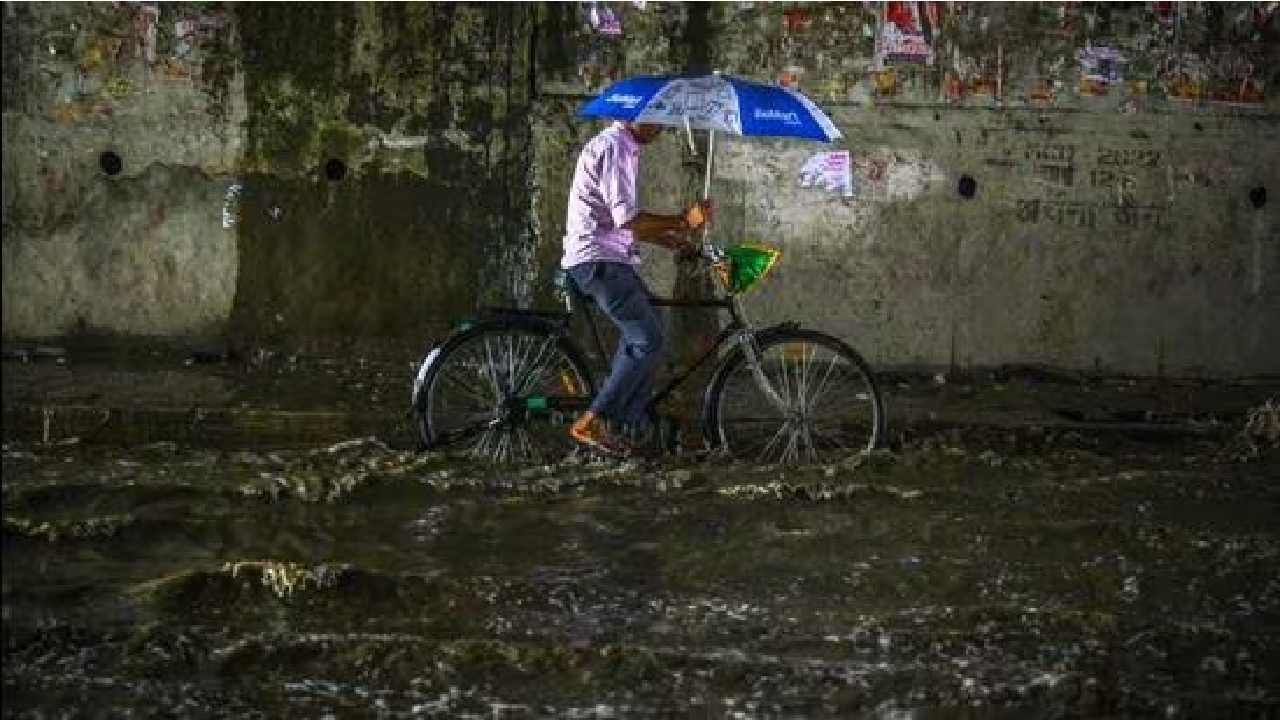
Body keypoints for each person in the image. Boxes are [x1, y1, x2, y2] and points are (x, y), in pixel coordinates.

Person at [561, 120, 713, 456]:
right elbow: (628, 220)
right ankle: (595, 419)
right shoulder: (616, 147)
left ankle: (627, 415)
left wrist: (669, 240)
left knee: (651, 326)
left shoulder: (622, 147)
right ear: (635, 117)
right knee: (648, 339)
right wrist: (684, 221)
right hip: (599, 261)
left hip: (608, 258)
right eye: (656, 119)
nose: (662, 127)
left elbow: (621, 223)